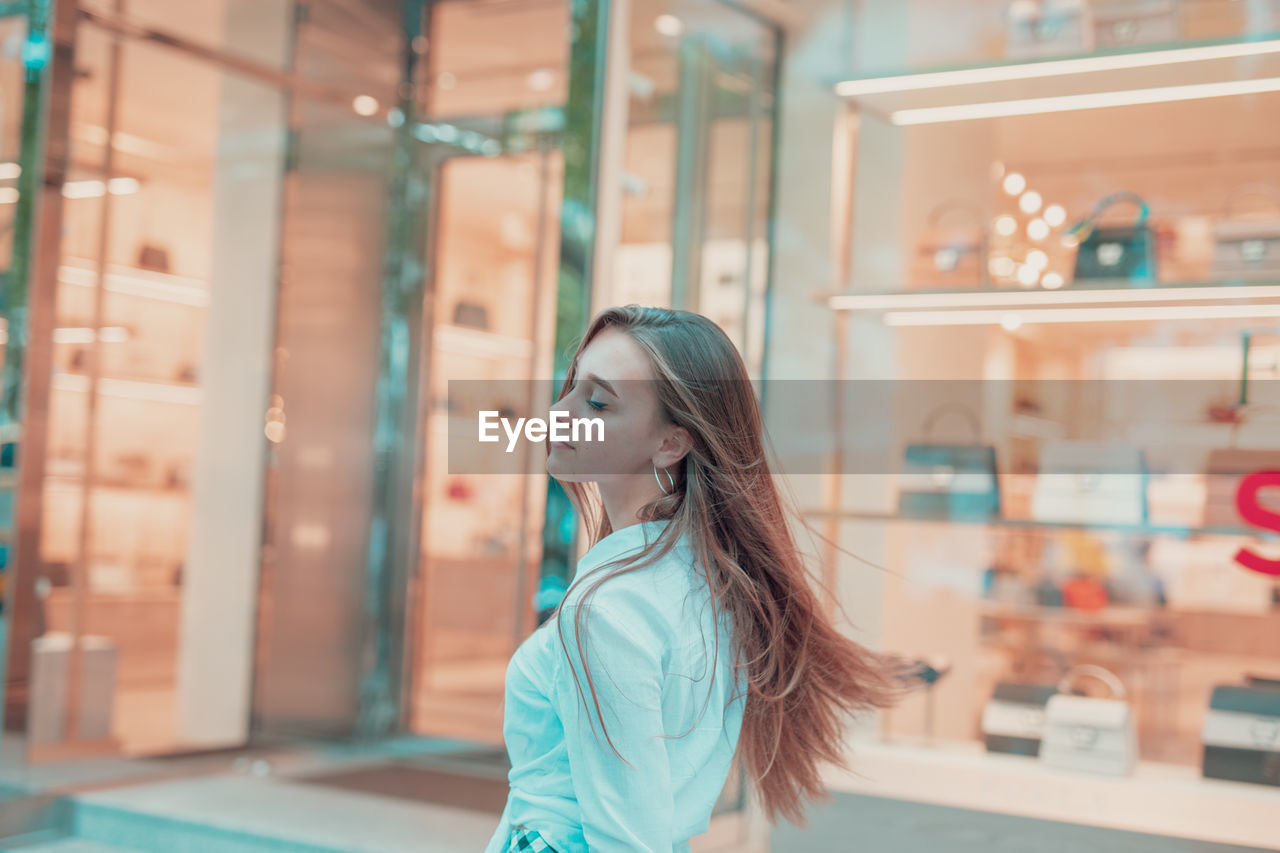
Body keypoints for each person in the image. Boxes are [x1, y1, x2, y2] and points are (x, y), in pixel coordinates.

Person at [484, 306, 912, 853]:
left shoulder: (608, 610)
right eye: (571, 389)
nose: (559, 413)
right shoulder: (711, 579)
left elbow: (627, 839)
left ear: (671, 444)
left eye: (596, 402)